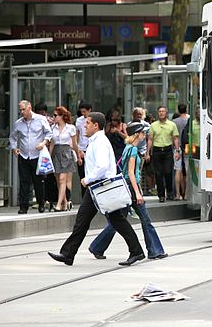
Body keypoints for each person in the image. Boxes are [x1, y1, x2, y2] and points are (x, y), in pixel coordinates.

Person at [48, 112, 145, 267]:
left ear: (96, 125)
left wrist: (87, 179)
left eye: (87, 123)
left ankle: (136, 251)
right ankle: (68, 254)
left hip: (101, 187)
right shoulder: (96, 141)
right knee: (85, 221)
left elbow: (102, 166)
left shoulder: (99, 142)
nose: (84, 125)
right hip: (97, 188)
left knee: (113, 220)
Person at [89, 122, 167, 260]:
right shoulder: (133, 150)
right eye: (143, 132)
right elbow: (131, 172)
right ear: (137, 134)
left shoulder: (128, 148)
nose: (145, 134)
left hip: (125, 187)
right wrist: (137, 192)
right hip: (131, 187)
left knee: (118, 221)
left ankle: (97, 247)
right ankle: (155, 250)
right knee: (145, 220)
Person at [9, 100, 53, 214]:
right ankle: (23, 206)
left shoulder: (40, 119)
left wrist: (43, 143)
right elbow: (12, 137)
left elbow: (49, 133)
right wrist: (14, 148)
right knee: (24, 182)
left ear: (30, 108)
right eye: (20, 110)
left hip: (37, 155)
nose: (22, 112)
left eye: (23, 109)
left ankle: (41, 203)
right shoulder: (18, 123)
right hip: (23, 155)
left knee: (38, 181)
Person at [148, 106, 180, 202]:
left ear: (166, 113)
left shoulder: (172, 125)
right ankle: (161, 195)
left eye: (163, 111)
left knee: (168, 172)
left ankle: (169, 192)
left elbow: (175, 138)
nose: (161, 113)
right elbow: (150, 139)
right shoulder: (153, 125)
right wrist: (147, 153)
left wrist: (177, 151)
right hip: (157, 150)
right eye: (159, 111)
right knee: (158, 173)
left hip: (167, 150)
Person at [49, 106, 78, 211]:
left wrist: (78, 156)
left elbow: (74, 144)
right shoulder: (53, 128)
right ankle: (65, 203)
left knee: (62, 179)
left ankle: (59, 203)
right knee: (58, 180)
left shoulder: (70, 128)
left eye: (56, 115)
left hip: (66, 153)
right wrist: (49, 157)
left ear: (62, 116)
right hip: (56, 153)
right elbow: (52, 143)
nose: (54, 117)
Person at [173, 104, 189, 201]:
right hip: (188, 147)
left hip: (177, 147)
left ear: (178, 111)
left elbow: (173, 136)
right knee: (187, 171)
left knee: (178, 170)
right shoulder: (189, 120)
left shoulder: (175, 122)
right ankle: (186, 194)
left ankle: (178, 194)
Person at [74, 102, 91, 191]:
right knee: (82, 176)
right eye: (82, 112)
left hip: (90, 149)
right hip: (82, 149)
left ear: (89, 110)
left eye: (85, 112)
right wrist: (78, 152)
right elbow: (76, 136)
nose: (83, 114)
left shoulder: (95, 119)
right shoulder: (79, 121)